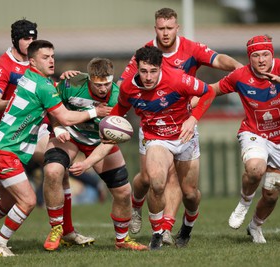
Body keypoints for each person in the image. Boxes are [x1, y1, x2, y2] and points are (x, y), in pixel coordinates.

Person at [0, 40, 111, 257]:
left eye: (52, 56)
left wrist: (62, 83)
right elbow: (66, 116)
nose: (51, 60)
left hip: (5, 148)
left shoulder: (33, 79)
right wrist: (95, 112)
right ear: (32, 61)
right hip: (3, 150)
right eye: (45, 57)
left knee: (9, 201)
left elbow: (50, 95)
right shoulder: (42, 85)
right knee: (28, 200)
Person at [117, 7, 243, 244]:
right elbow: (125, 85)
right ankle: (137, 208)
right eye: (161, 28)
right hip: (153, 123)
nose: (165, 33)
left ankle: (167, 228)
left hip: (182, 122)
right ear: (155, 28)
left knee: (184, 188)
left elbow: (217, 60)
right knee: (147, 179)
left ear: (177, 28)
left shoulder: (191, 49)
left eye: (169, 28)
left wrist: (239, 67)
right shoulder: (145, 54)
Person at [71, 46, 216, 250]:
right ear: (137, 68)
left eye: (153, 71)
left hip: (185, 136)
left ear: (161, 68)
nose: (148, 77)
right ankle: (157, 233)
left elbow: (209, 92)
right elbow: (117, 115)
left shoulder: (177, 79)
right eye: (144, 71)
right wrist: (106, 132)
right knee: (156, 181)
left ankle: (187, 227)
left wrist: (193, 119)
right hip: (156, 137)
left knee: (190, 194)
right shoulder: (129, 88)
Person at [211, 35, 280, 243]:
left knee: (271, 195)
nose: (261, 59)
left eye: (265, 54)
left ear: (272, 54)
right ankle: (244, 203)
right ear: (250, 58)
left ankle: (255, 226)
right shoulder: (240, 75)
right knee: (255, 168)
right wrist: (189, 100)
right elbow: (213, 90)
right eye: (255, 55)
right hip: (254, 133)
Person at [42, 57, 147, 251]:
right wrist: (57, 128)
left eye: (107, 83)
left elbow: (110, 141)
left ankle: (122, 240)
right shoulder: (71, 84)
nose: (103, 89)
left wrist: (87, 163)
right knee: (52, 172)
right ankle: (57, 228)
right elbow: (52, 106)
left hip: (100, 141)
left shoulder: (117, 97)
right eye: (98, 84)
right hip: (70, 134)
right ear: (89, 78)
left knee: (124, 192)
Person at [0, 18, 42, 252]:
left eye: (34, 38)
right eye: (26, 38)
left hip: (31, 128)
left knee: (56, 161)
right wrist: (17, 105)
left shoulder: (36, 61)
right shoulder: (4, 64)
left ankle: (63, 228)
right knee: (4, 193)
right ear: (15, 40)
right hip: (8, 132)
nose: (31, 42)